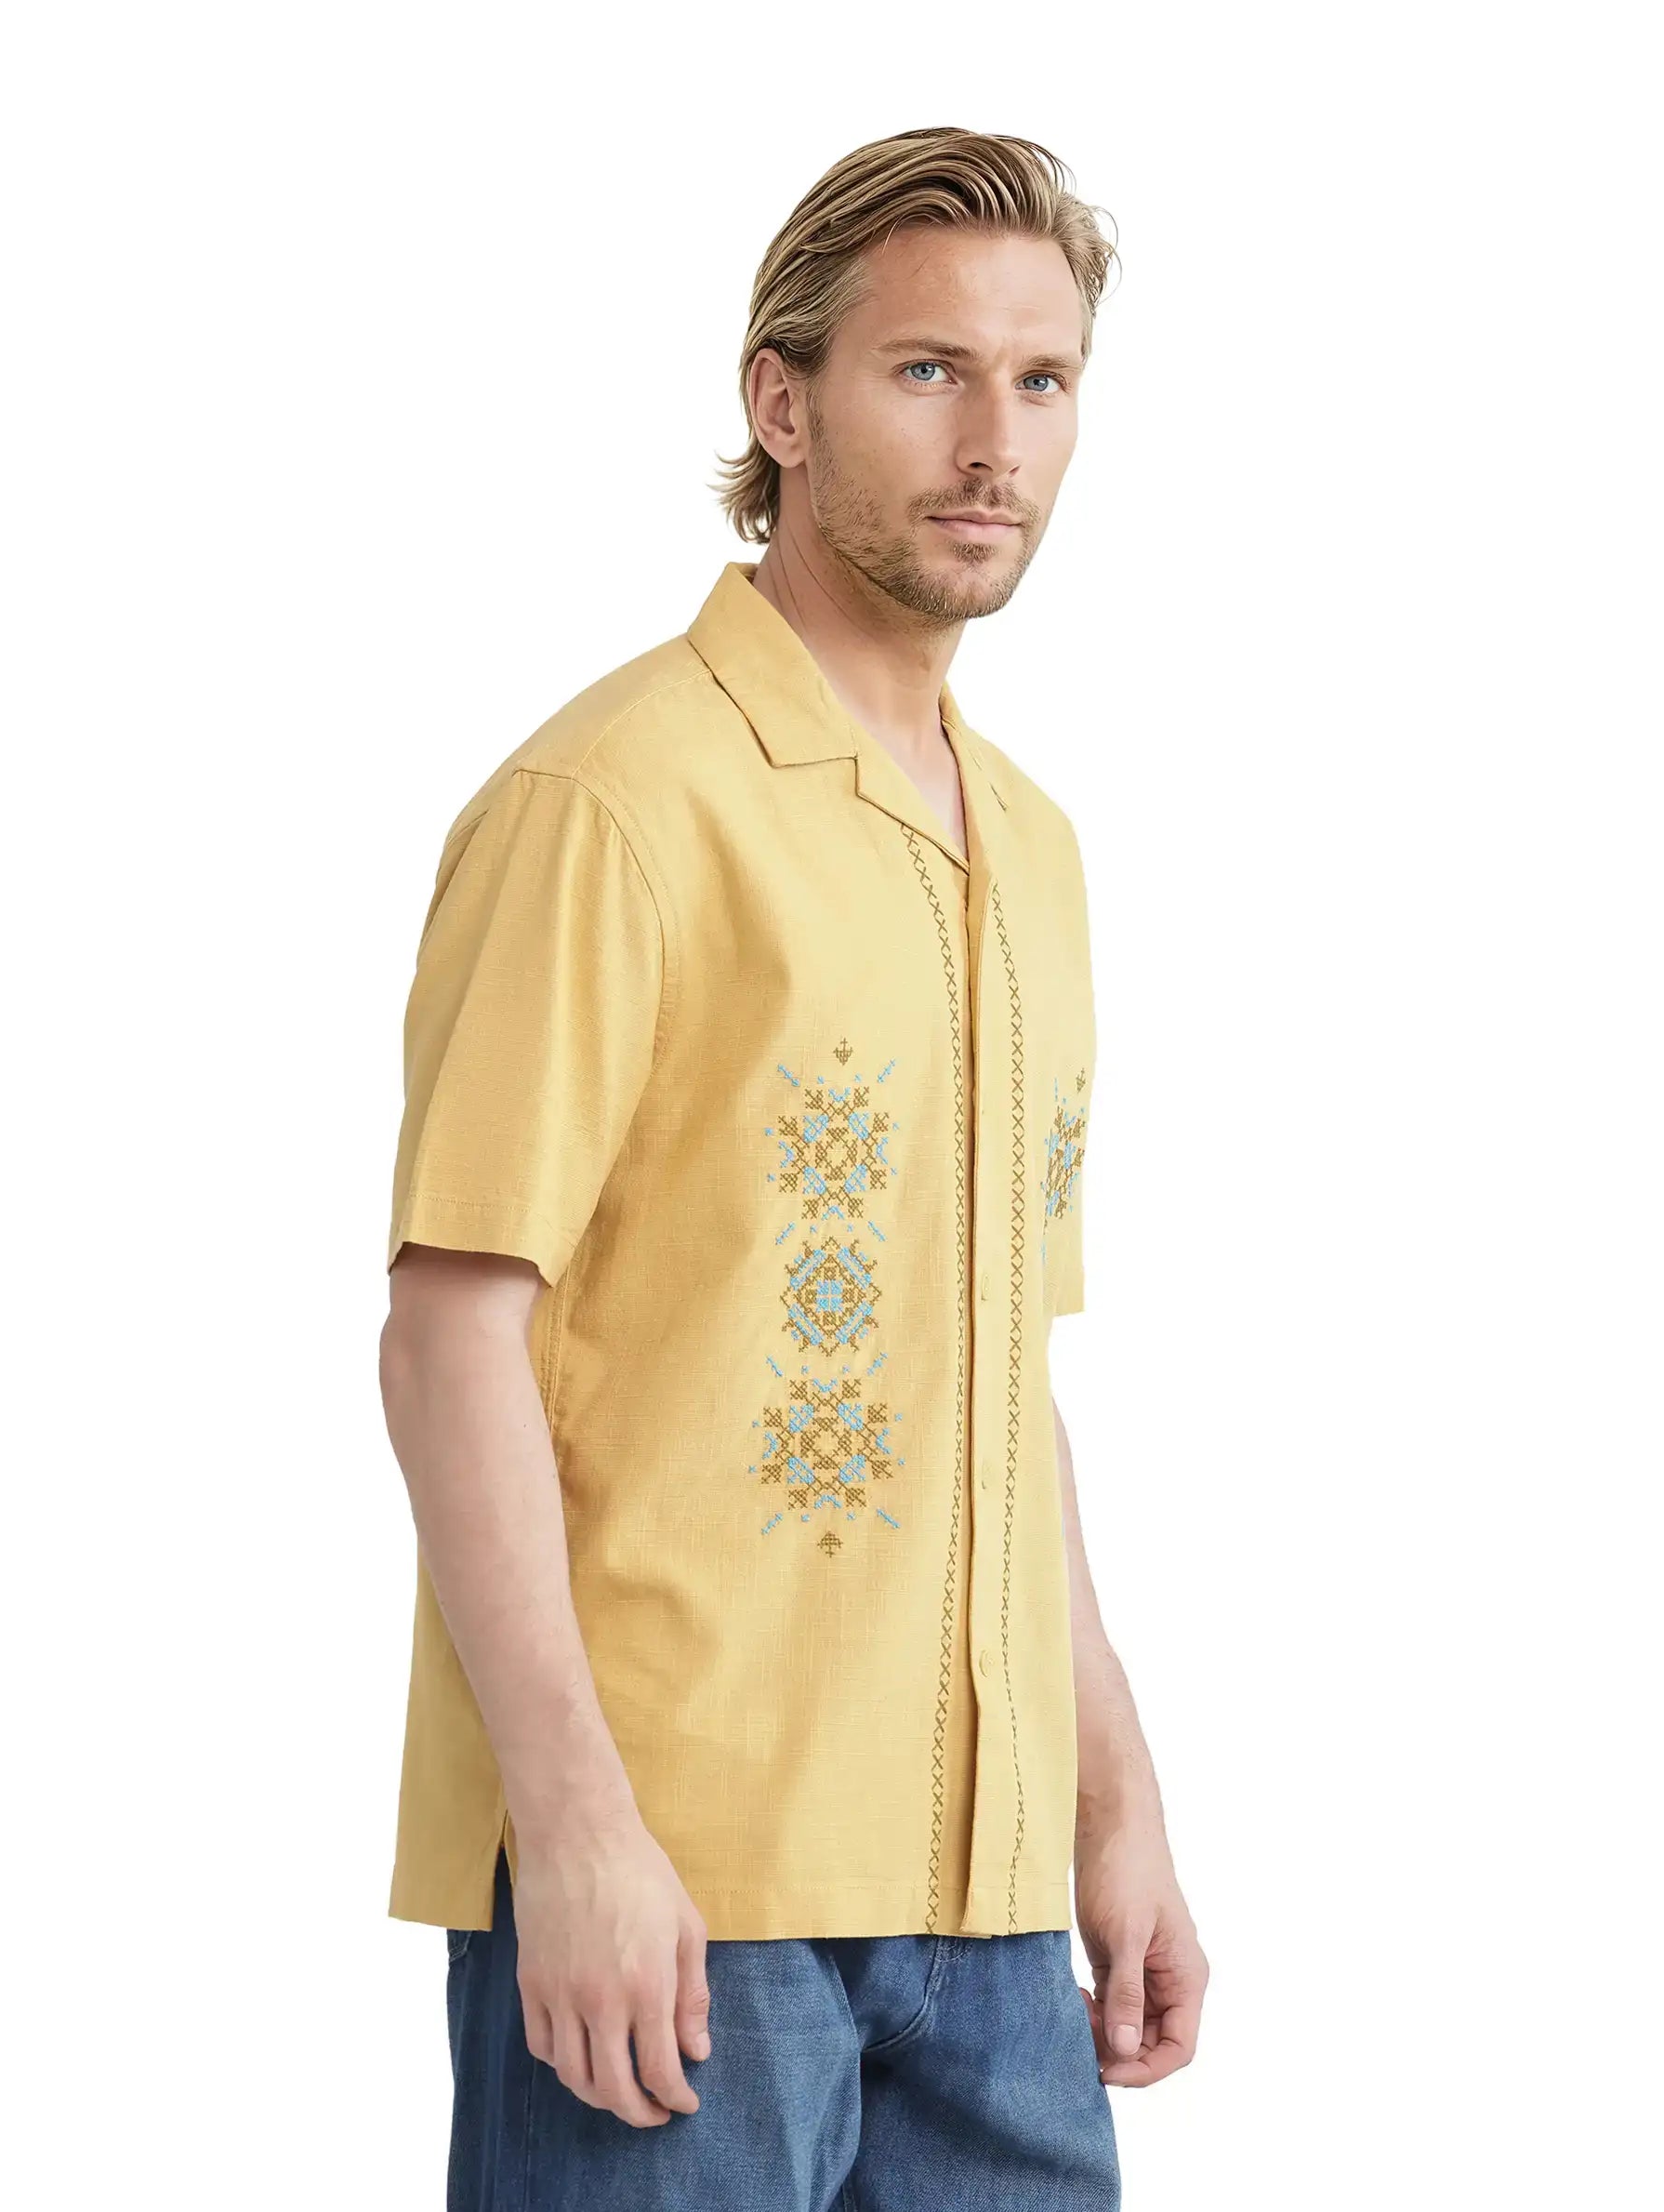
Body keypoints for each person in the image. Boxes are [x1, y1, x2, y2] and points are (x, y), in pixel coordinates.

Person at [378, 125, 1207, 2212]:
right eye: (929, 370)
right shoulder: (612, 803)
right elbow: (451, 1331)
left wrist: (1113, 1794)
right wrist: (574, 1824)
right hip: (679, 1890)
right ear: (783, 400)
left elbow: (999, 1376)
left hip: (993, 1922)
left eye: (1042, 380)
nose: (994, 443)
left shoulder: (1034, 851)